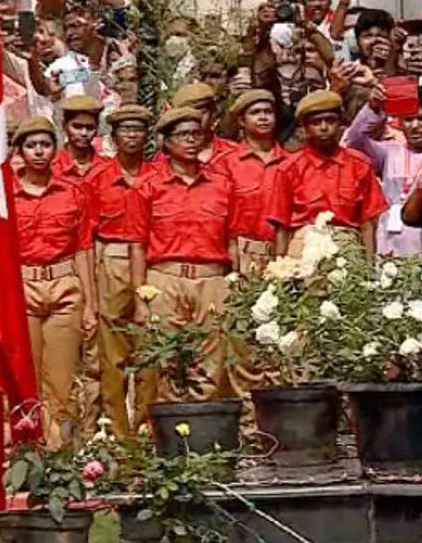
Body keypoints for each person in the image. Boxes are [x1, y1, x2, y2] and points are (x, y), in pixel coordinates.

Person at [127, 108, 239, 410]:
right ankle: (172, 445)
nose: (191, 141)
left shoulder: (222, 184)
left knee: (210, 363)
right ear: (166, 143)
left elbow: (232, 242)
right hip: (165, 279)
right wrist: (140, 297)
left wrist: (236, 285)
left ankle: (204, 445)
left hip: (212, 279)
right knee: (167, 362)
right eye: (183, 135)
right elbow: (137, 245)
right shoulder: (148, 187)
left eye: (196, 134)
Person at [10, 116, 97, 448]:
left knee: (60, 378)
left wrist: (90, 304)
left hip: (64, 284)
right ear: (20, 151)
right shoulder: (7, 194)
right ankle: (28, 447)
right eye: (31, 145)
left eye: (45, 144)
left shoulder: (72, 192)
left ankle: (61, 450)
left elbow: (83, 249)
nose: (38, 152)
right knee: (25, 375)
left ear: (55, 149)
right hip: (23, 284)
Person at [81, 103, 153, 436]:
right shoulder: (98, 178)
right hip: (111, 258)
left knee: (151, 346)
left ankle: (147, 426)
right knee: (113, 352)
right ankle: (119, 433)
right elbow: (89, 233)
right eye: (125, 130)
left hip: (151, 260)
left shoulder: (158, 176)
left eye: (138, 129)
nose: (132, 136)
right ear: (114, 136)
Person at [268, 90, 390, 257]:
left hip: (348, 250)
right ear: (305, 129)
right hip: (302, 250)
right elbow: (281, 227)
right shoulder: (289, 168)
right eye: (316, 123)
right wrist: (279, 270)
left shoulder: (359, 164)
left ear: (340, 124)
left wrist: (369, 269)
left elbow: (367, 223)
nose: (324, 127)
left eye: (330, 121)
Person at [345, 85, 422, 257]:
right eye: (408, 120)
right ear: (400, 123)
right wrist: (373, 108)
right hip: (388, 238)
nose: (415, 126)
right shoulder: (389, 152)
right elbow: (354, 141)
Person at [213, 90, 289, 274]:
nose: (263, 117)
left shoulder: (291, 162)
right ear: (241, 121)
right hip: (240, 253)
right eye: (255, 113)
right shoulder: (224, 163)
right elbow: (217, 215)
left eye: (268, 112)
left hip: (285, 255)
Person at [53, 95, 104, 182]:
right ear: (64, 126)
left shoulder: (107, 167)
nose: (84, 133)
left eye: (90, 127)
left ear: (97, 129)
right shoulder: (51, 167)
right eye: (77, 127)